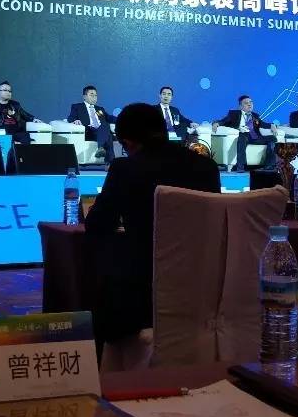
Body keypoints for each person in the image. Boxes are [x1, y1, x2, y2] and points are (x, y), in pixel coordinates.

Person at [84, 102, 221, 345]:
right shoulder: (206, 167)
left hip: (144, 292)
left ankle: (105, 362)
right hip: (204, 285)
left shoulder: (125, 168)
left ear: (128, 142)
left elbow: (97, 224)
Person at [216, 95, 276, 171]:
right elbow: (224, 121)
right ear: (240, 106)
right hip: (244, 136)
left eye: (251, 102)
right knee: (242, 137)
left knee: (272, 138)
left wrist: (272, 125)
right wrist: (217, 123)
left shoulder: (255, 115)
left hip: (255, 137)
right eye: (246, 103)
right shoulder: (234, 114)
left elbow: (263, 124)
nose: (249, 104)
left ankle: (269, 165)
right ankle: (240, 166)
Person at [67, 84, 114, 161]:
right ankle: (109, 162)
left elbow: (108, 118)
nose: (94, 97)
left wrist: (123, 118)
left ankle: (101, 149)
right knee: (108, 135)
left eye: (96, 95)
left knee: (105, 126)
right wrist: (75, 120)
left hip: (101, 131)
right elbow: (70, 118)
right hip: (89, 131)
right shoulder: (78, 107)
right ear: (84, 97)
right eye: (91, 95)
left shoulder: (99, 109)